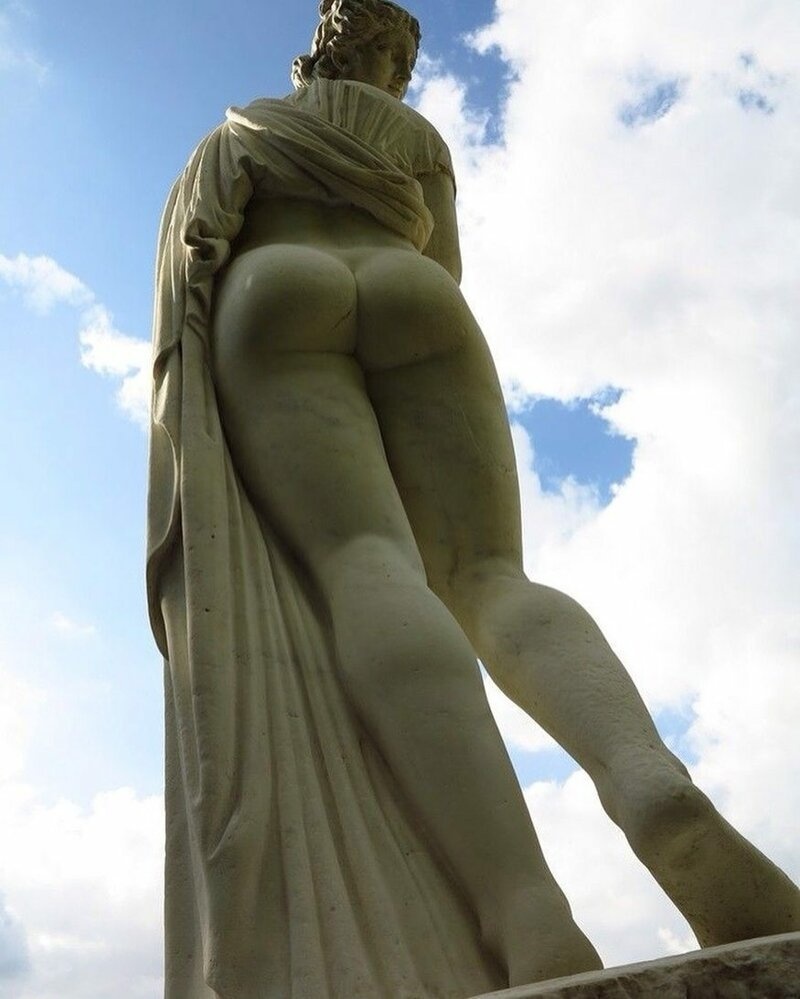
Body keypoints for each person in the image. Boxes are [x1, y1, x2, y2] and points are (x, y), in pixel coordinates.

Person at [148, 1, 800, 996]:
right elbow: (441, 262)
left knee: (365, 563)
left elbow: (192, 272)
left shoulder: (235, 137)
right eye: (399, 61)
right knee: (491, 576)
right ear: (384, 61)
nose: (400, 76)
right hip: (413, 294)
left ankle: (524, 913)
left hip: (273, 293)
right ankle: (650, 787)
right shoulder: (415, 138)